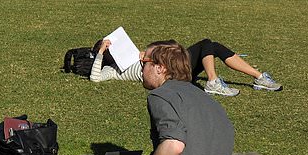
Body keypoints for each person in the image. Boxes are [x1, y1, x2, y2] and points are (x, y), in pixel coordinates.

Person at [77, 41, 237, 155]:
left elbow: (174, 145)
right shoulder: (207, 99)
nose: (141, 68)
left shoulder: (161, 95)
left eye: (144, 63)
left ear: (160, 68)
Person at [87, 37, 282, 95]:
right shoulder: (110, 70)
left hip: (172, 64)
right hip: (169, 72)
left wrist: (145, 54)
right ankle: (213, 82)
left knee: (212, 46)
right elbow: (94, 77)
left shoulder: (132, 54)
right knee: (207, 44)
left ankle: (258, 77)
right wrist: (101, 52)